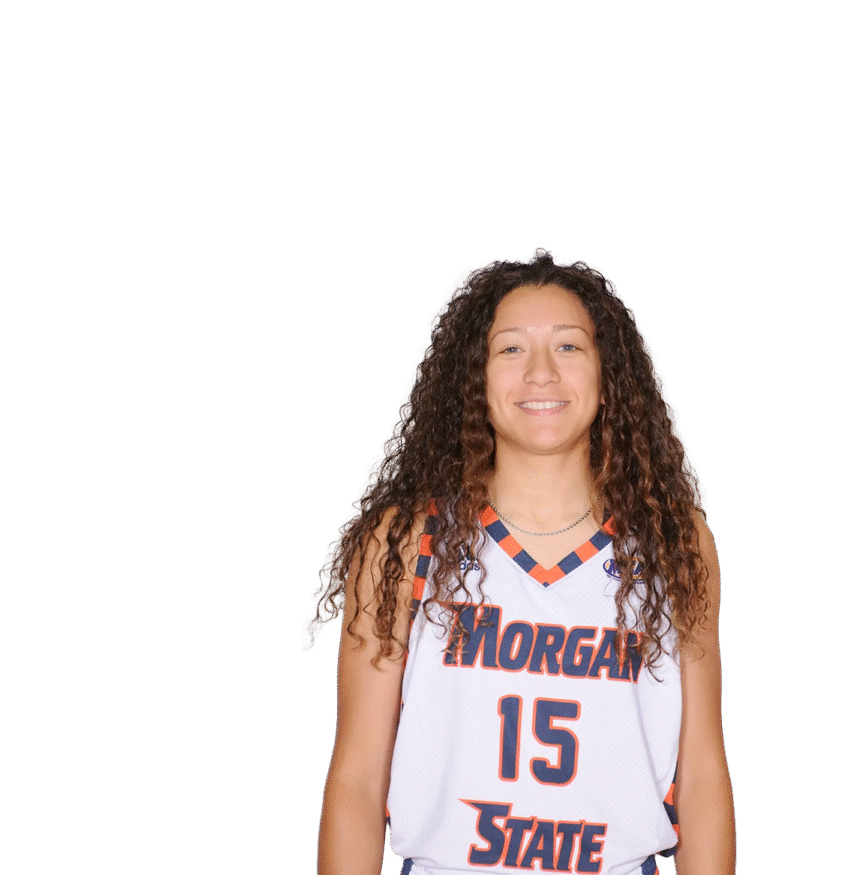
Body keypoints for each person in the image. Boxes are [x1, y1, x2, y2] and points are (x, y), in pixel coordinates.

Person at [309, 249, 736, 875]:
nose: (541, 373)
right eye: (511, 348)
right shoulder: (408, 539)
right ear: (473, 378)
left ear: (608, 374)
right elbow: (357, 775)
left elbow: (701, 772)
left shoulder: (672, 539)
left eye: (568, 346)